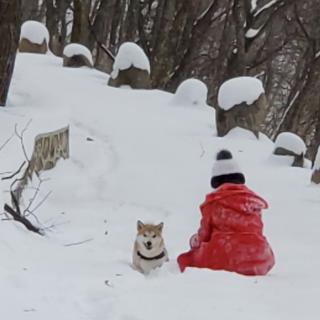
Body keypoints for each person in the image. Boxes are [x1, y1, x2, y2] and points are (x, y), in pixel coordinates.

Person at [177, 149, 275, 276]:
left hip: (227, 256)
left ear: (216, 180)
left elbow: (204, 235)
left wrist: (194, 242)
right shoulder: (252, 201)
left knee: (187, 259)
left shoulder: (214, 202)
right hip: (259, 258)